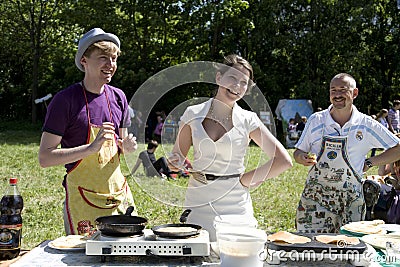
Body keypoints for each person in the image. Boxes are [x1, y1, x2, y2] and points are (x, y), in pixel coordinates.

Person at [168, 54, 293, 241]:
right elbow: (176, 158)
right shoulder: (192, 113)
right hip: (198, 201)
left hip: (236, 205)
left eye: (244, 82)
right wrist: (174, 164)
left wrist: (246, 180)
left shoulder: (248, 119)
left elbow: (284, 161)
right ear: (219, 78)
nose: (237, 86)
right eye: (232, 78)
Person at [38, 28, 138, 235]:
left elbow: (119, 145)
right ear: (84, 60)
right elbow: (45, 158)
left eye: (114, 58)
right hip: (83, 198)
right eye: (103, 58)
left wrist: (125, 147)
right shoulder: (65, 100)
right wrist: (90, 148)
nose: (110, 65)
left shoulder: (119, 97)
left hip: (117, 195)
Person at [293, 73, 400, 233]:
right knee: (311, 248)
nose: (337, 95)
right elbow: (298, 151)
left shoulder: (366, 125)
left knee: (347, 247)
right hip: (315, 200)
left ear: (354, 93)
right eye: (333, 90)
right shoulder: (316, 120)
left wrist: (371, 162)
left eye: (343, 89)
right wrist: (301, 158)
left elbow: (397, 149)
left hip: (350, 201)